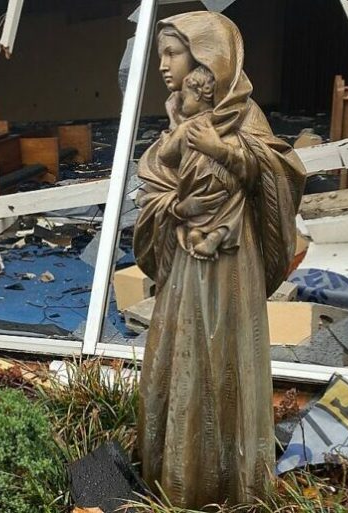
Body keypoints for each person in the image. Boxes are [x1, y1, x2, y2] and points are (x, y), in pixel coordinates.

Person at [134, 12, 306, 508]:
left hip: (232, 267)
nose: (163, 66)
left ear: (207, 58)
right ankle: (178, 474)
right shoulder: (177, 118)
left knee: (228, 357)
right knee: (180, 359)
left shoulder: (246, 118)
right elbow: (156, 179)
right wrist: (174, 208)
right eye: (161, 55)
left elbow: (278, 174)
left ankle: (231, 483)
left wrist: (226, 154)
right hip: (185, 267)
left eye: (173, 53)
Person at [157, 66, 244, 260]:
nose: (181, 105)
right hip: (219, 185)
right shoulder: (223, 123)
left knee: (214, 203)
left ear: (197, 94)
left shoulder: (186, 127)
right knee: (237, 199)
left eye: (185, 98)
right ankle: (216, 234)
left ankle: (196, 232)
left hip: (196, 187)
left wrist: (170, 128)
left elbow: (165, 157)